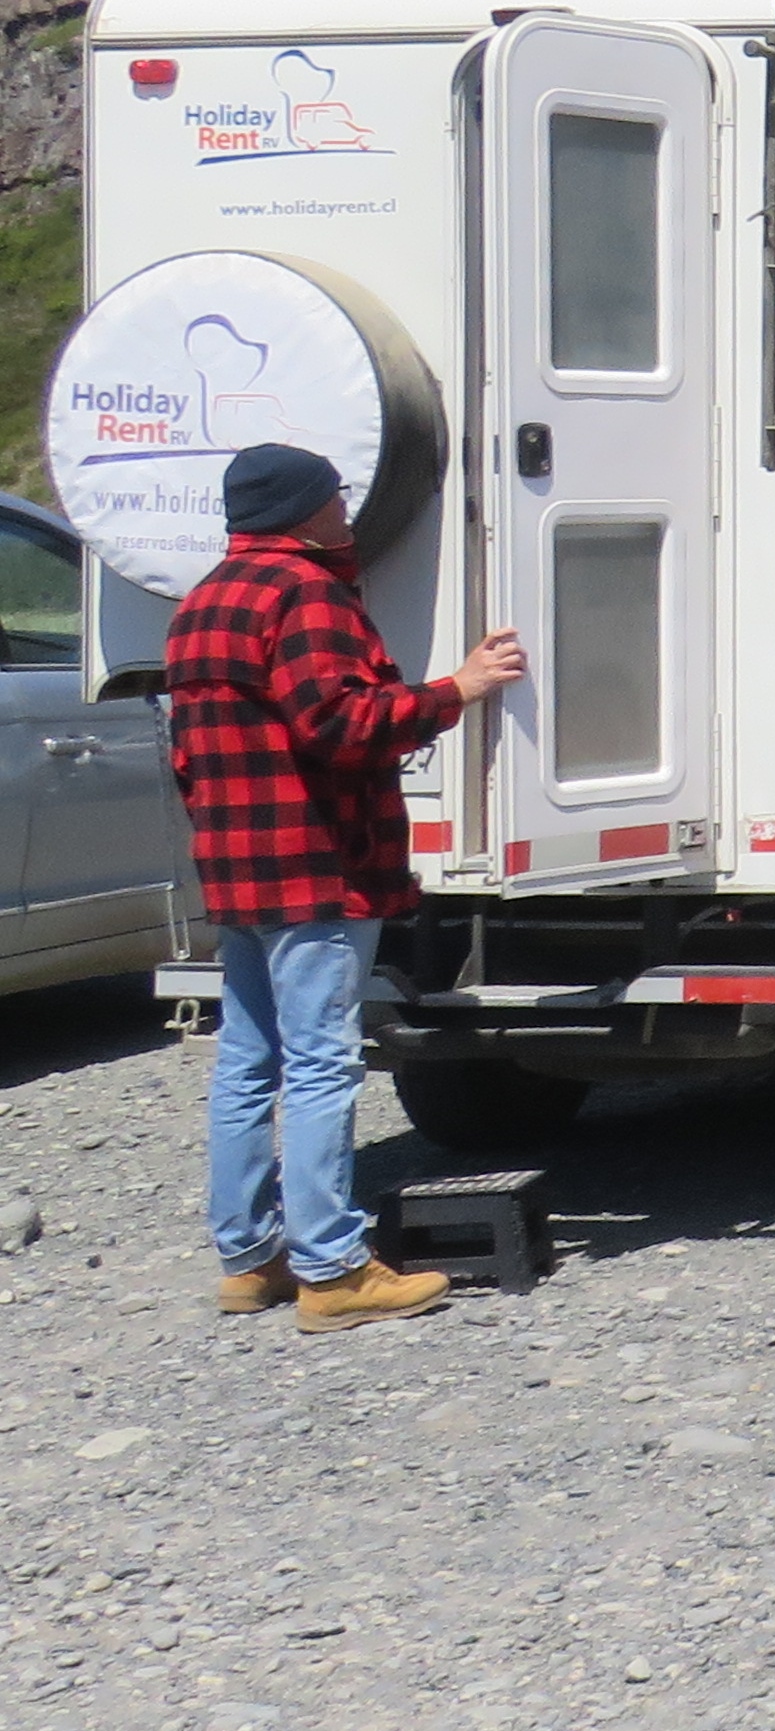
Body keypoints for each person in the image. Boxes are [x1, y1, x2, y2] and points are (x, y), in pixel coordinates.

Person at [167, 444, 524, 1333]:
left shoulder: (201, 600)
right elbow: (341, 721)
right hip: (316, 865)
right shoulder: (305, 594)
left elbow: (186, 753)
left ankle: (249, 1259)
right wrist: (457, 689)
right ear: (301, 510)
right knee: (322, 1064)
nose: (345, 509)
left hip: (234, 866)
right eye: (335, 496)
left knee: (247, 1063)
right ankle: (331, 1270)